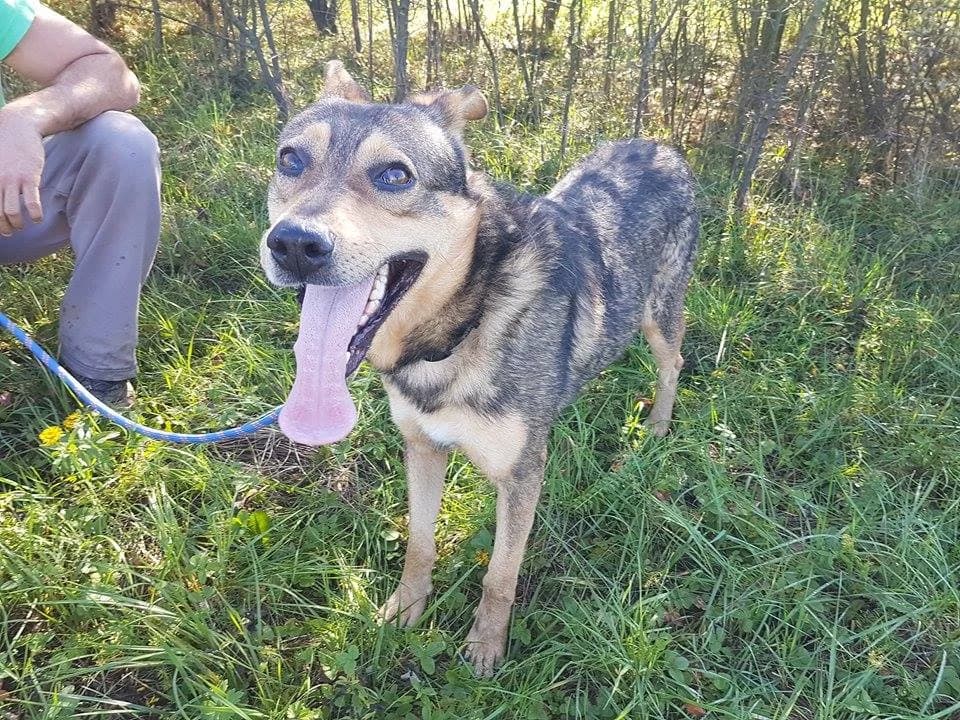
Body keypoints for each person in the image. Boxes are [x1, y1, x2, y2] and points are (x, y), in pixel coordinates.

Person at [0, 0, 161, 407]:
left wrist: (24, 117)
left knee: (121, 142)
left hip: (9, 203)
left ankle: (95, 368)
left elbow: (111, 74)